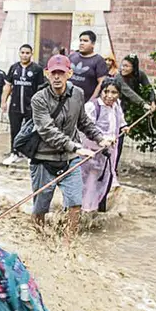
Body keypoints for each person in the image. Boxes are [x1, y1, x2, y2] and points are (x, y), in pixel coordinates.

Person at [29, 54, 113, 246]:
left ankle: (69, 245)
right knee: (41, 208)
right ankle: (39, 243)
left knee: (75, 204)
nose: (57, 77)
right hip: (44, 158)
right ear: (46, 74)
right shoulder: (38, 99)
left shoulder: (77, 94)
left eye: (61, 73)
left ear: (70, 73)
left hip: (70, 158)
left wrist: (100, 138)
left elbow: (83, 121)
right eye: (53, 73)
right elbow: (46, 130)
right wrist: (76, 146)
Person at [81, 78, 127, 213]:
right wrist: (103, 139)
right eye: (106, 92)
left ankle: (98, 214)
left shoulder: (116, 105)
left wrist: (124, 126)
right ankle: (83, 213)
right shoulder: (92, 107)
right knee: (88, 185)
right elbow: (85, 130)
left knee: (105, 183)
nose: (110, 96)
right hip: (92, 155)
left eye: (114, 92)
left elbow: (120, 119)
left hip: (108, 156)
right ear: (101, 91)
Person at [2, 44, 45, 165]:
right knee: (14, 130)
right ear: (19, 53)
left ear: (31, 54)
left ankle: (29, 155)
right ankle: (14, 153)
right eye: (23, 53)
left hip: (30, 107)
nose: (25, 55)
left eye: (27, 53)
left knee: (30, 131)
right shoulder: (13, 68)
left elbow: (40, 89)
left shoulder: (37, 69)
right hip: (15, 106)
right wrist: (4, 101)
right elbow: (8, 86)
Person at [116, 54, 156, 167]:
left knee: (121, 139)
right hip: (118, 109)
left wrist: (152, 101)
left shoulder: (140, 75)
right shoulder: (118, 78)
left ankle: (114, 167)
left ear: (133, 68)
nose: (123, 68)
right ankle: (112, 168)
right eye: (122, 65)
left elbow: (149, 89)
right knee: (116, 139)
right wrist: (143, 104)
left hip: (130, 110)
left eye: (127, 66)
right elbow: (128, 92)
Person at [69, 30, 109, 102]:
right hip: (68, 100)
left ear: (93, 44)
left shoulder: (99, 60)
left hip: (86, 102)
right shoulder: (72, 57)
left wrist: (91, 101)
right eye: (80, 40)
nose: (82, 43)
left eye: (85, 41)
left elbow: (101, 83)